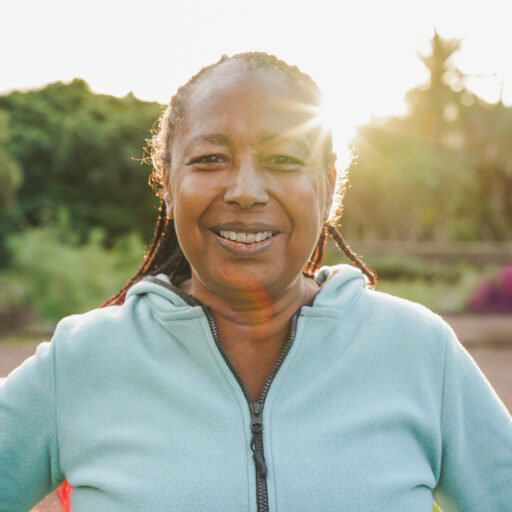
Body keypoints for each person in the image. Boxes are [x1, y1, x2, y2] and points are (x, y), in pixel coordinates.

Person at [1, 52, 511, 512]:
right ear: (169, 186)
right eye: (209, 159)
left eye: (284, 159)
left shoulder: (419, 351)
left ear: (329, 187)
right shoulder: (81, 361)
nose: (245, 191)